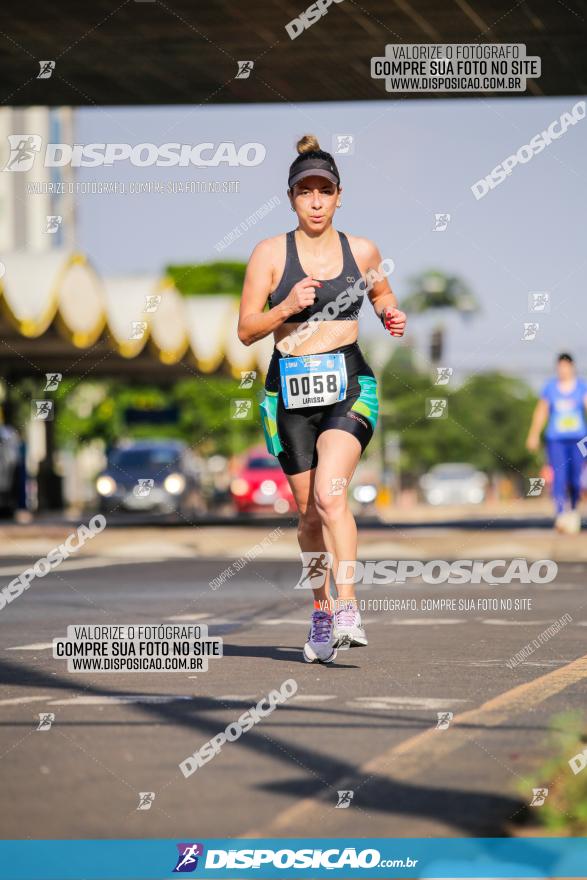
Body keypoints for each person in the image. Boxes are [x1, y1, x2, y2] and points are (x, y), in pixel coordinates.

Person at [238, 134, 406, 663]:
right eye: (305, 191)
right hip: (286, 393)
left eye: (324, 190)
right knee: (308, 517)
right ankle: (320, 610)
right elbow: (246, 330)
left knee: (333, 497)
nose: (315, 200)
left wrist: (390, 314)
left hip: (348, 388)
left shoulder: (363, 251)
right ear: (291, 197)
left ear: (339, 196)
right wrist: (285, 305)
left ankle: (349, 606)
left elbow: (381, 292)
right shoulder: (269, 254)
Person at [526, 353, 587, 533]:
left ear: (572, 367)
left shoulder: (581, 387)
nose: (563, 370)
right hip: (556, 440)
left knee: (576, 479)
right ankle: (560, 514)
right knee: (559, 477)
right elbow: (541, 412)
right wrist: (533, 434)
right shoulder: (550, 388)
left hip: (579, 439)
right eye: (560, 366)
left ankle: (574, 510)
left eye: (566, 366)